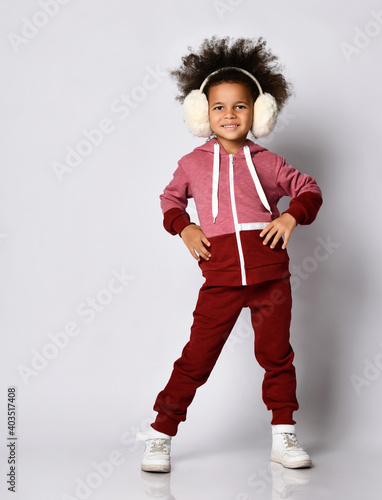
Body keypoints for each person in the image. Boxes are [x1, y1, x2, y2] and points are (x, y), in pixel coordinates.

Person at [137, 36, 323, 473]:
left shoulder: (268, 162)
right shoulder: (192, 163)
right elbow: (169, 201)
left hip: (270, 276)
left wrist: (290, 217)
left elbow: (309, 189)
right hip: (219, 277)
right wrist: (184, 227)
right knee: (196, 357)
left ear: (258, 111)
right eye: (218, 107)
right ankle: (161, 434)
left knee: (277, 356)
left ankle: (283, 434)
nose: (229, 114)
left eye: (240, 106)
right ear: (203, 113)